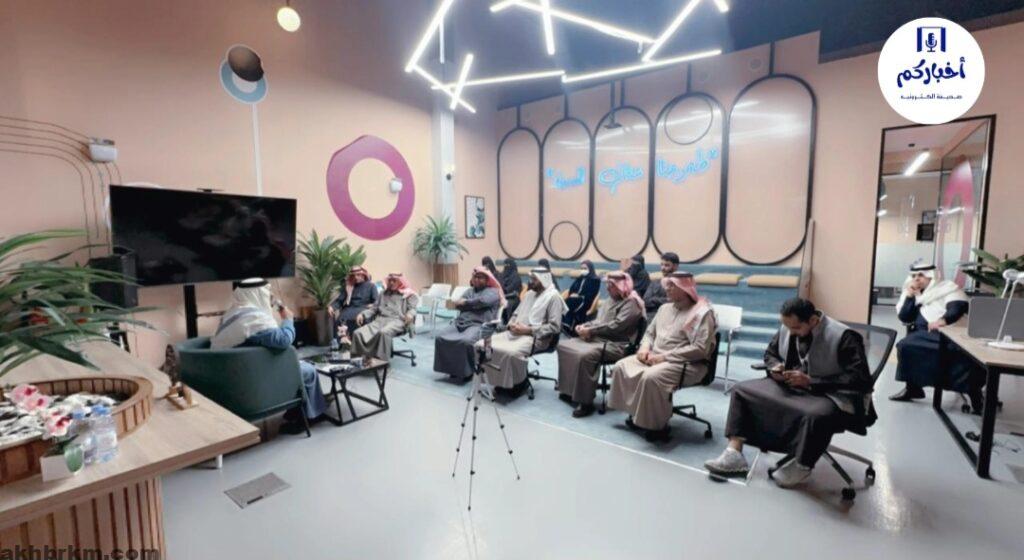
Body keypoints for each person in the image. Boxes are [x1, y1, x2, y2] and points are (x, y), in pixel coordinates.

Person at [704, 298, 874, 488]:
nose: (791, 332)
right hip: (793, 385)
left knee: (815, 415)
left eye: (796, 328)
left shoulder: (844, 337)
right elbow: (770, 354)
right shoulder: (789, 327)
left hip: (831, 393)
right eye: (787, 327)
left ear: (812, 320)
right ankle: (734, 453)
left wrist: (811, 381)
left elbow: (860, 379)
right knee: (742, 391)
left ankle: (803, 465)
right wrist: (775, 367)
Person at [608, 272, 717, 442]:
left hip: (687, 363)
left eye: (672, 285)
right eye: (667, 284)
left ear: (684, 289)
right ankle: (638, 414)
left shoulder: (701, 313)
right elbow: (650, 333)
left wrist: (664, 357)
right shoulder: (664, 308)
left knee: (651, 377)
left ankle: (657, 426)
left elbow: (700, 349)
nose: (666, 288)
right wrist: (644, 347)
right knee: (621, 366)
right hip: (655, 356)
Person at [211, 278, 327, 434]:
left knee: (298, 365)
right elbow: (284, 340)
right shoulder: (253, 320)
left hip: (233, 376)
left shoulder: (232, 314)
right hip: (254, 379)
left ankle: (296, 411)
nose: (269, 298)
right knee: (308, 370)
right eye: (266, 293)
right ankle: (311, 416)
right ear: (257, 294)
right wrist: (288, 320)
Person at [889, 263, 983, 409]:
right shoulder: (915, 294)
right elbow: (905, 317)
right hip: (922, 334)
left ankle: (974, 394)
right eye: (914, 276)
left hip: (950, 334)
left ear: (931, 276)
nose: (916, 279)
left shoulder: (947, 288)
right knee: (905, 346)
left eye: (921, 275)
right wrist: (910, 296)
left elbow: (957, 307)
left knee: (963, 356)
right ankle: (913, 388)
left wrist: (943, 320)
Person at [557, 271, 645, 417]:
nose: (607, 288)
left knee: (584, 356)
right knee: (564, 346)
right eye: (607, 284)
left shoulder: (632, 303)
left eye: (611, 285)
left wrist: (591, 331)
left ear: (621, 286)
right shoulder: (611, 299)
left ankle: (585, 402)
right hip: (599, 337)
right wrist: (585, 326)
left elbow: (616, 326)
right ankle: (569, 390)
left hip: (617, 345)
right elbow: (600, 321)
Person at [478, 268, 566, 395]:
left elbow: (554, 327)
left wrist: (528, 330)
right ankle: (498, 381)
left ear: (544, 280)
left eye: (534, 279)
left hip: (536, 338)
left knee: (510, 353)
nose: (530, 282)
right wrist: (511, 324)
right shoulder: (530, 294)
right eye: (531, 278)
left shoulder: (554, 298)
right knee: (483, 344)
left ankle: (518, 384)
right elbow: (516, 313)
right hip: (514, 333)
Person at [433, 267, 504, 381]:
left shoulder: (493, 291)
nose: (476, 279)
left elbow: (484, 301)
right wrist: (472, 304)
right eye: (475, 277)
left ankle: (468, 372)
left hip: (478, 324)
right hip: (460, 322)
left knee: (465, 341)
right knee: (440, 337)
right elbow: (458, 304)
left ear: (487, 280)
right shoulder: (469, 291)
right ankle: (452, 369)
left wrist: (466, 303)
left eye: (480, 277)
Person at [350, 273, 419, 362]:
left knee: (383, 332)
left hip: (398, 321)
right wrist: (362, 314)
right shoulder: (383, 294)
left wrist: (410, 314)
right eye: (390, 280)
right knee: (357, 333)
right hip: (380, 320)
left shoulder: (409, 294)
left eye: (394, 281)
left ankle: (382, 363)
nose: (391, 283)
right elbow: (374, 308)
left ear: (400, 282)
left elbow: (413, 309)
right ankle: (359, 361)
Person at [331, 266, 378, 338]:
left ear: (363, 275)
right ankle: (342, 342)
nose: (356, 277)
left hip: (364, 308)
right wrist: (332, 307)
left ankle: (360, 341)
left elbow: (376, 302)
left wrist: (372, 305)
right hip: (349, 308)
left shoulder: (371, 286)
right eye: (353, 276)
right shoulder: (349, 286)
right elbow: (340, 300)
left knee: (362, 319)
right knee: (340, 319)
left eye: (358, 275)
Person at [561, 260, 601, 333]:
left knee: (570, 303)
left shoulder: (595, 280)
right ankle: (565, 324)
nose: (583, 270)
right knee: (567, 302)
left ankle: (567, 324)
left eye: (585, 268)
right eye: (582, 268)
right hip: (575, 299)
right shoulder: (580, 278)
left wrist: (579, 296)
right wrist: (573, 293)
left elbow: (592, 294)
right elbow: (571, 288)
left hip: (586, 300)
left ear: (590, 268)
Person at [499, 258, 523, 323]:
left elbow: (509, 289)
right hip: (502, 297)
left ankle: (508, 323)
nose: (506, 267)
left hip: (513, 298)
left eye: (508, 265)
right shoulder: (502, 275)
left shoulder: (516, 277)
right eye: (505, 265)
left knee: (508, 304)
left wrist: (503, 291)